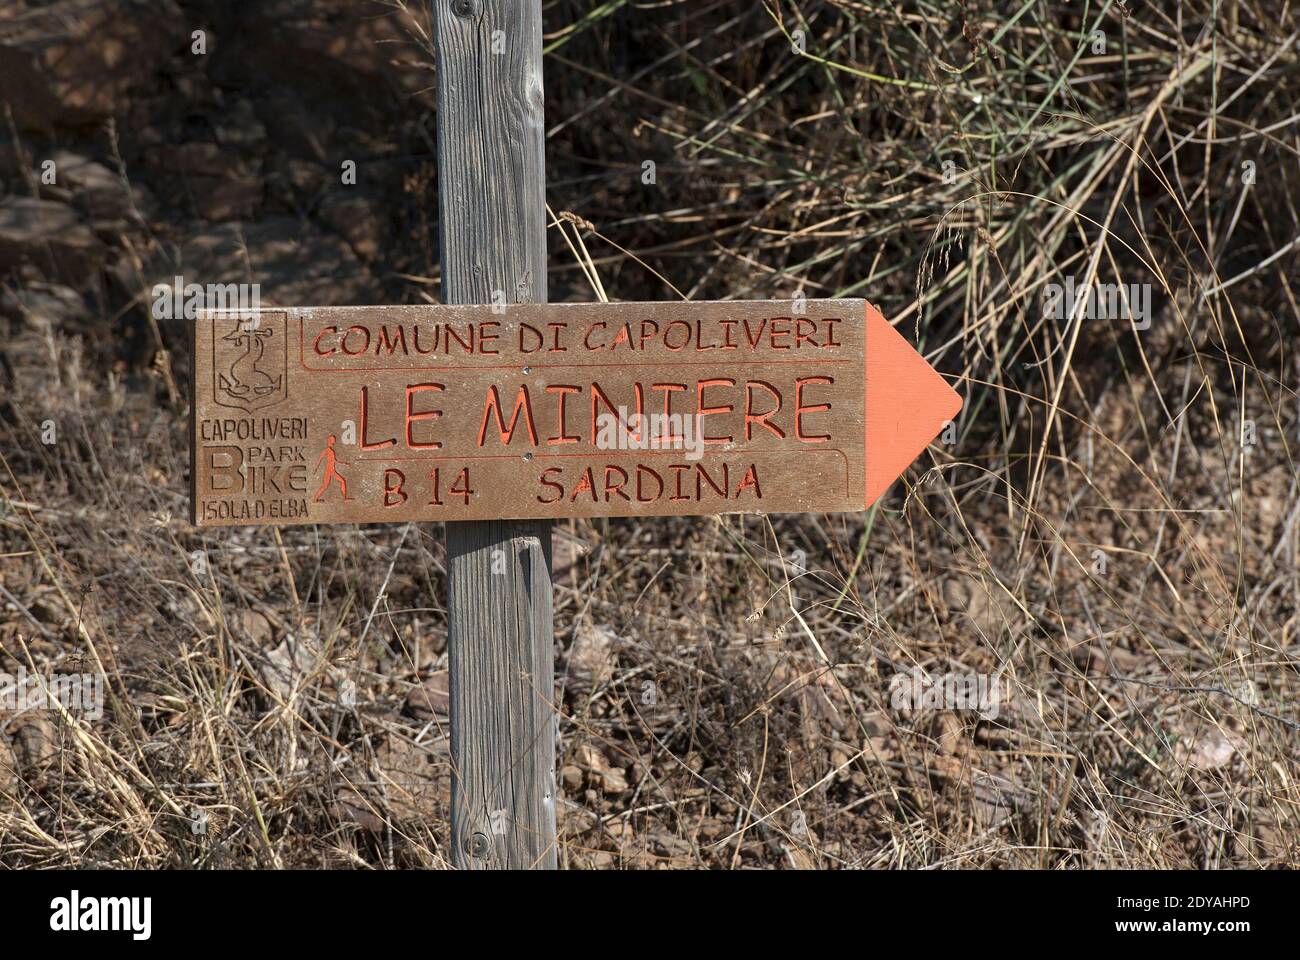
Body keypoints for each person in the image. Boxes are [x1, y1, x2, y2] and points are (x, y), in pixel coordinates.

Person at [313, 434, 352, 502]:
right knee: (324, 486)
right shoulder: (327, 450)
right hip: (328, 471)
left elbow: (335, 461)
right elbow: (320, 459)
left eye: (334, 440)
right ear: (329, 441)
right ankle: (314, 499)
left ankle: (345, 498)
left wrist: (344, 464)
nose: (334, 441)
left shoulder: (332, 451)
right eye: (333, 440)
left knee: (342, 481)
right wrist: (315, 468)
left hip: (332, 471)